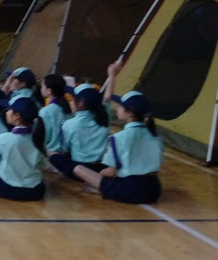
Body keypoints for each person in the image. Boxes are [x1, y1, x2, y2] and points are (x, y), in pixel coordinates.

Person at [73, 62, 163, 204]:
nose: (118, 107)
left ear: (129, 113)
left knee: (81, 170)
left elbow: (111, 171)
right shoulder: (154, 135)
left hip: (132, 189)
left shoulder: (119, 137)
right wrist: (112, 75)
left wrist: (98, 178)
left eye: (121, 105)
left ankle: (100, 188)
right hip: (154, 190)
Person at [0, 97, 47, 201]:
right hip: (36, 190)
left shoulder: (1, 139)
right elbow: (42, 164)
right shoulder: (38, 138)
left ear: (17, 116)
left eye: (9, 110)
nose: (6, 112)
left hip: (10, 189)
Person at [48, 83, 109, 179]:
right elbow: (107, 99)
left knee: (52, 153)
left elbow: (64, 149)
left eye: (72, 99)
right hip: (101, 168)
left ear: (81, 103)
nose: (70, 102)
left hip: (79, 171)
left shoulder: (69, 124)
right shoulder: (105, 117)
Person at [39, 74, 74, 153]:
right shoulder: (68, 108)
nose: (41, 89)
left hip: (51, 152)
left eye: (42, 86)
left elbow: (43, 136)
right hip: (67, 152)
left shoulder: (46, 111)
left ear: (49, 90)